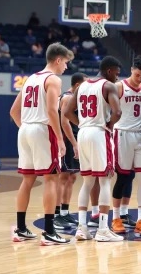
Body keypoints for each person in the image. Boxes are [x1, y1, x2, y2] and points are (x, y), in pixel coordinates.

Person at [10, 42, 74, 245]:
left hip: (25, 129)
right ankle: (48, 232)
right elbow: (51, 111)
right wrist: (60, 138)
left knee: (27, 181)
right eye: (65, 63)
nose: (66, 67)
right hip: (41, 129)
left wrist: (25, 129)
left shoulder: (30, 79)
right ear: (58, 60)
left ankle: (20, 229)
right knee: (51, 179)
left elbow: (13, 111)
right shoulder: (53, 79)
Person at [64, 56, 124, 242]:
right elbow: (118, 112)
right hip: (99, 132)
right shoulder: (108, 86)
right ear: (109, 71)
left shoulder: (82, 86)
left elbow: (66, 112)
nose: (117, 78)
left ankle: (82, 229)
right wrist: (110, 124)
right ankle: (103, 229)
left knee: (87, 182)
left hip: (83, 133)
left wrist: (81, 123)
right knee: (105, 181)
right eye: (116, 73)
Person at [112, 55, 141, 235]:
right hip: (122, 134)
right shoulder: (119, 87)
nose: (139, 79)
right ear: (131, 70)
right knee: (122, 177)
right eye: (137, 75)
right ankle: (115, 218)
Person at [53, 72, 87, 230]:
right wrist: (73, 143)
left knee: (71, 177)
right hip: (66, 139)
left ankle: (65, 212)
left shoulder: (74, 98)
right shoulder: (67, 98)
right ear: (78, 85)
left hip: (73, 138)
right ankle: (55, 215)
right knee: (63, 177)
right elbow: (65, 123)